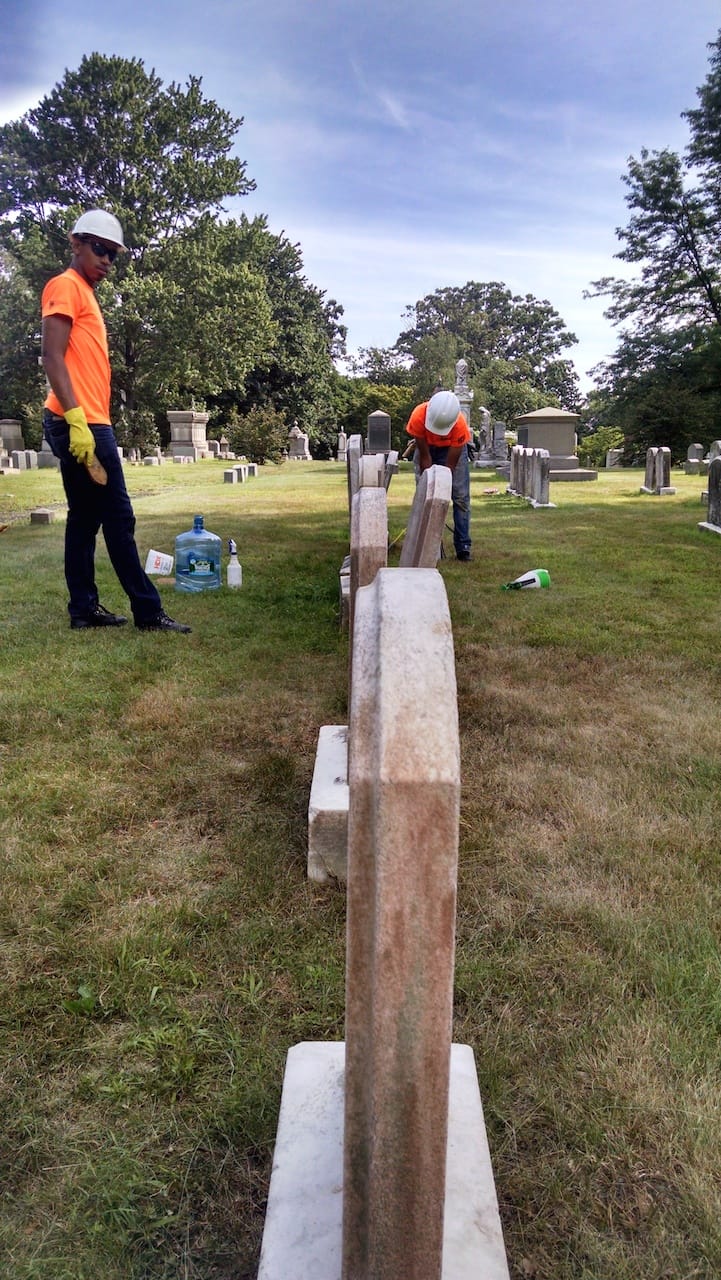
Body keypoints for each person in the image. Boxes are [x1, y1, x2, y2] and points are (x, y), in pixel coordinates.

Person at [41, 209, 191, 632]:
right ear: (77, 244)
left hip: (87, 420)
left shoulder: (87, 293)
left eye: (113, 254)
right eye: (101, 250)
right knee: (119, 518)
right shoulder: (65, 286)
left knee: (85, 519)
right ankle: (148, 612)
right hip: (80, 422)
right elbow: (52, 357)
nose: (107, 260)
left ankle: (84, 610)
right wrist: (76, 421)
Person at [405, 389, 472, 561]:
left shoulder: (459, 425)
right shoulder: (419, 416)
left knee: (461, 498)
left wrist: (442, 488)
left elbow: (449, 467)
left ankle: (463, 546)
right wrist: (429, 482)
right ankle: (428, 544)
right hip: (427, 447)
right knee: (424, 494)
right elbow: (425, 457)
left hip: (451, 449)